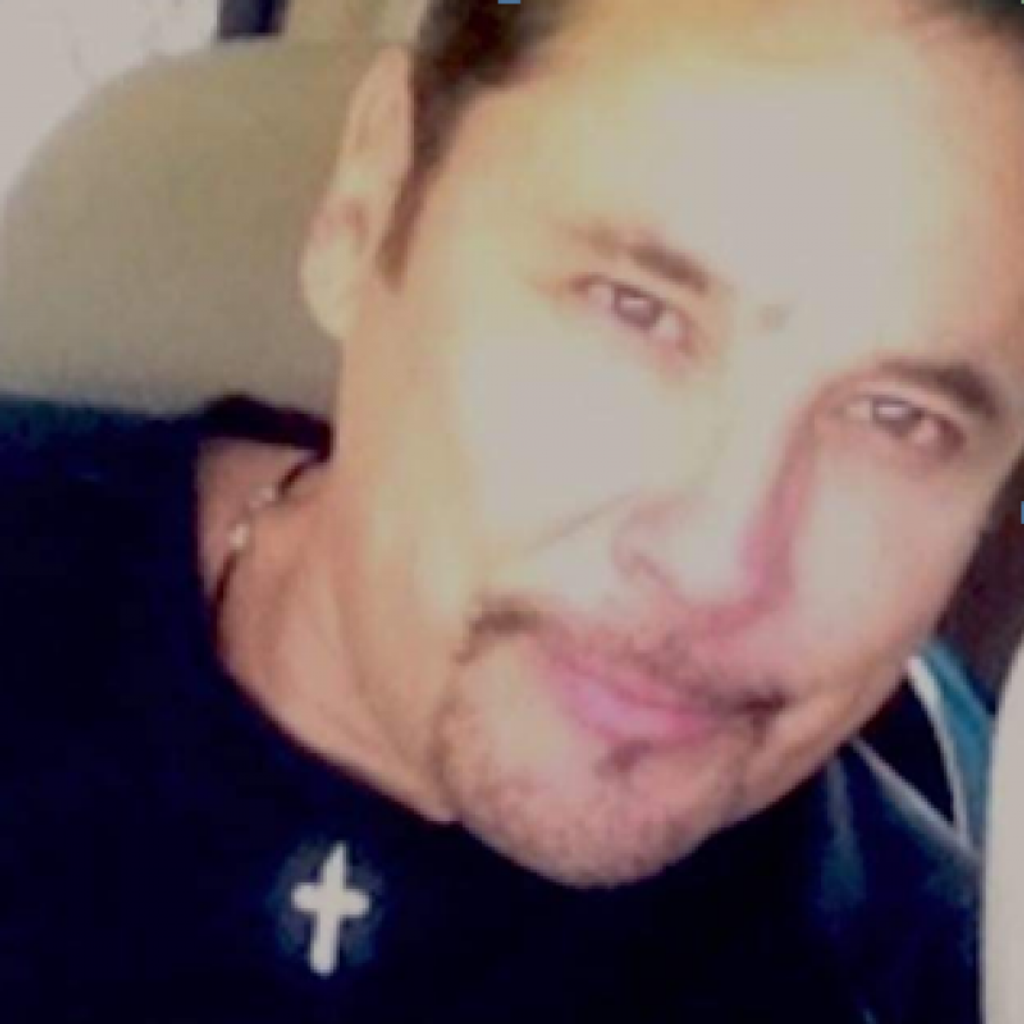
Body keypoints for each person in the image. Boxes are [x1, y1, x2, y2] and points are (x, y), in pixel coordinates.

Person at [2, 0, 1021, 1019]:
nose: (718, 563)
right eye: (633, 308)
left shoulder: (932, 983)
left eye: (902, 419)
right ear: (370, 204)